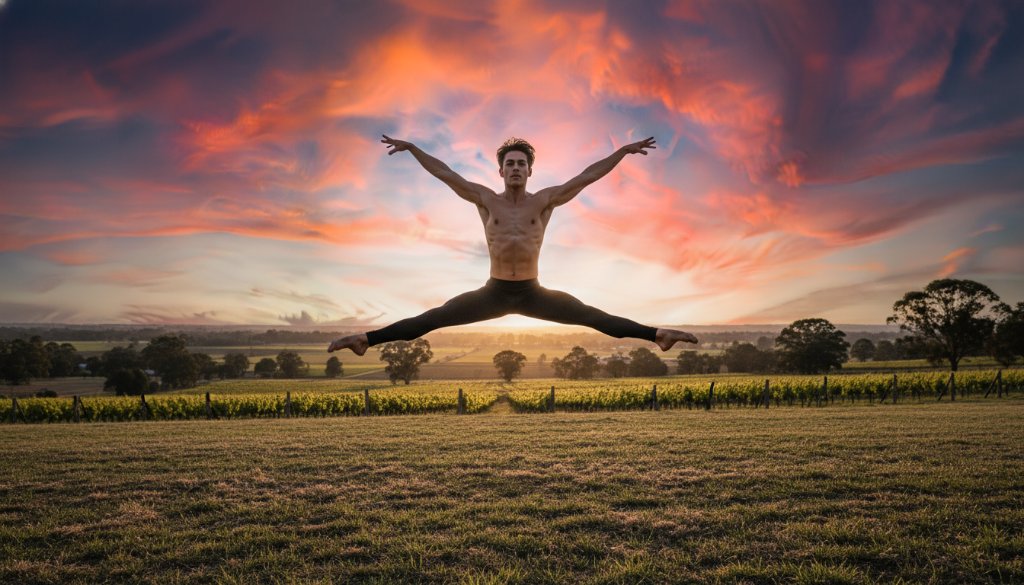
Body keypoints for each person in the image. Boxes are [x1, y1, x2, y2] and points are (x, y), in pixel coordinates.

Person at [328, 135, 698, 356]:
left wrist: (622, 151)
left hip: (534, 293)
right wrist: (413, 148)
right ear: (501, 171)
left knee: (595, 318)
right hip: (494, 292)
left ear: (530, 171)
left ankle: (659, 335)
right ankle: (365, 339)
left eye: (522, 163)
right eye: (510, 163)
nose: (516, 168)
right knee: (431, 319)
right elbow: (445, 174)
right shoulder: (485, 199)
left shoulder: (546, 200)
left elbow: (588, 175)